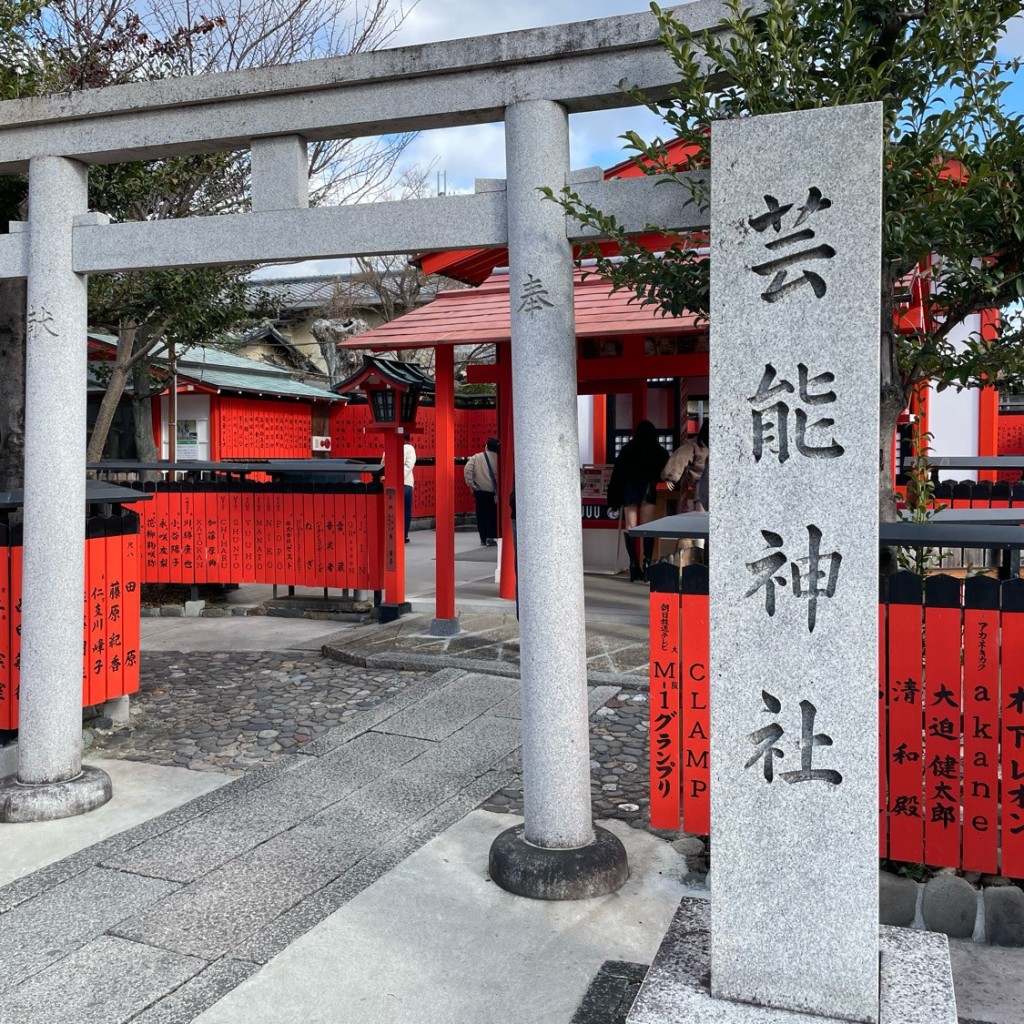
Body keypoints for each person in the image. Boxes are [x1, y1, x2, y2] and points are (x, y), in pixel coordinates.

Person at [606, 420, 669, 581]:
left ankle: (633, 565)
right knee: (648, 527)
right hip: (648, 489)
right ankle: (647, 563)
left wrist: (613, 496)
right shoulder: (657, 450)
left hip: (629, 490)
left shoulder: (627, 449)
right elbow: (665, 470)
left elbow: (617, 473)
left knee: (631, 528)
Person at [662, 419, 709, 511]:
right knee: (702, 486)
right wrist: (670, 476)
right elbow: (680, 457)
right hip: (701, 479)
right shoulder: (694, 445)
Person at [464, 437, 500, 546]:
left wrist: (471, 484)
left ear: (486, 446)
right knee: (492, 515)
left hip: (480, 491)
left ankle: (483, 538)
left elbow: (467, 469)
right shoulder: (499, 458)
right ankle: (490, 537)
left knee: (481, 515)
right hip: (494, 492)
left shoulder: (476, 457)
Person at [403, 441, 416, 543]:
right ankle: (403, 534)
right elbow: (409, 465)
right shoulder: (409, 448)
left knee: (403, 509)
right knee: (405, 510)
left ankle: (402, 533)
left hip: (402, 482)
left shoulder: (408, 448)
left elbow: (409, 465)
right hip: (405, 482)